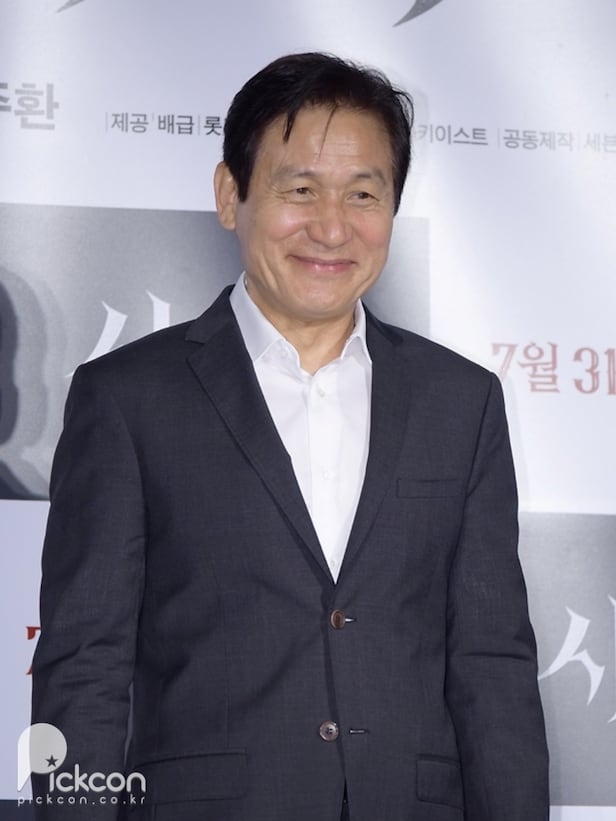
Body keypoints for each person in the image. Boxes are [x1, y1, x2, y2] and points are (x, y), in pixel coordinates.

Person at [32, 52, 549, 820]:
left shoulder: (460, 401)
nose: (332, 227)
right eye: (300, 189)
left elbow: (492, 665)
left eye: (363, 194)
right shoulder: (128, 399)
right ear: (230, 194)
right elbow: (84, 668)